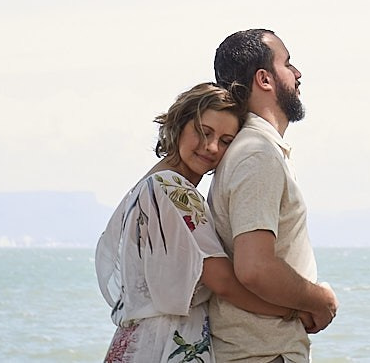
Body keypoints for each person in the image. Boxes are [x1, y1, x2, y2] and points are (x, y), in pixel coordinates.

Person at [97, 83, 307, 363]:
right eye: (203, 132)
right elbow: (222, 281)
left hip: (138, 341)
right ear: (180, 125)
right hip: (167, 344)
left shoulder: (145, 186)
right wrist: (293, 310)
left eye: (226, 141)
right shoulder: (174, 189)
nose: (211, 147)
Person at [207, 29, 338, 363]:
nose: (298, 74)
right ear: (264, 79)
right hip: (264, 353)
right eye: (288, 64)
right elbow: (255, 268)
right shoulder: (257, 154)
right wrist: (319, 301)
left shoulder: (257, 151)